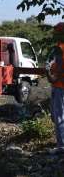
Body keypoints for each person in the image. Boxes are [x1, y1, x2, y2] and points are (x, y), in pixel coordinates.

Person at [46, 22, 64, 154]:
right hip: (59, 87)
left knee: (59, 116)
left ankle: (61, 146)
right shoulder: (59, 48)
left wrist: (49, 74)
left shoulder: (61, 49)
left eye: (56, 33)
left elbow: (60, 73)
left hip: (60, 88)